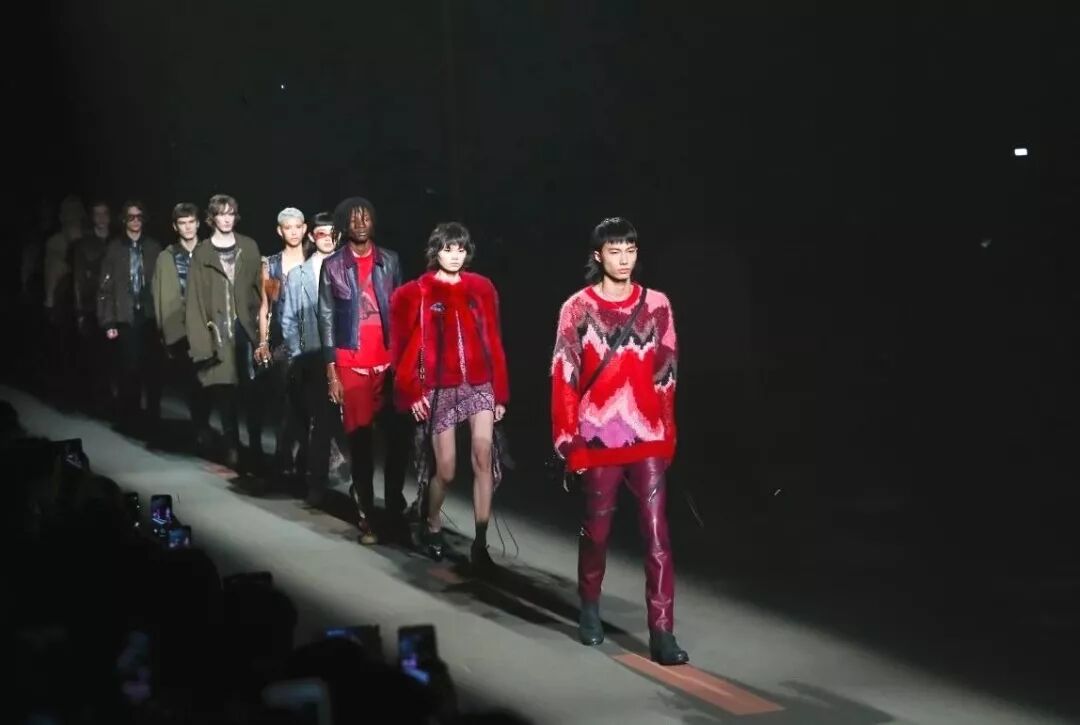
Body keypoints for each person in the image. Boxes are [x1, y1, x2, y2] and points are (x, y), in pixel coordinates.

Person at [550, 217, 688, 665]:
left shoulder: (657, 305)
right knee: (597, 532)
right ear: (598, 255)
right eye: (615, 251)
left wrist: (668, 434)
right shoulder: (577, 308)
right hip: (596, 438)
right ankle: (590, 606)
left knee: (657, 534)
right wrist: (569, 441)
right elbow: (564, 376)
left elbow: (666, 374)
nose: (624, 259)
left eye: (630, 250)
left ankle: (662, 632)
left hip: (647, 436)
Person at [391, 222, 509, 567]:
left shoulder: (482, 288)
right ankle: (431, 522)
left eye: (460, 249)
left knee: (483, 455)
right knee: (445, 469)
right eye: (447, 249)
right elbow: (401, 348)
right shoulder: (415, 293)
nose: (455, 256)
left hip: (479, 383)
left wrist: (500, 393)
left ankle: (481, 543)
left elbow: (494, 340)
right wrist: (412, 392)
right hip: (439, 387)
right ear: (435, 252)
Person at [317, 197, 410, 544]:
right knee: (361, 443)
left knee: (397, 441)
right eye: (353, 219)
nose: (359, 223)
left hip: (388, 365)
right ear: (344, 224)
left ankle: (394, 509)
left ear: (373, 222)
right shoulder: (333, 265)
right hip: (351, 364)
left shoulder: (390, 260)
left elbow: (401, 311)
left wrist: (406, 362)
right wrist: (332, 374)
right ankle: (367, 514)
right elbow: (326, 318)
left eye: (365, 217)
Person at [185, 194, 268, 471]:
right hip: (218, 333)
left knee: (253, 393)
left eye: (231, 213)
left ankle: (255, 446)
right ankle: (232, 446)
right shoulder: (202, 253)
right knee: (225, 393)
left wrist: (265, 332)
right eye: (221, 214)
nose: (227, 219)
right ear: (212, 218)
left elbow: (261, 291)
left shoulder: (249, 247)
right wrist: (201, 346)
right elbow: (195, 302)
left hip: (247, 331)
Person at [280, 211, 348, 506]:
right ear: (312, 236)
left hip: (347, 356)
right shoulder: (298, 275)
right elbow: (288, 320)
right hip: (313, 358)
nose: (328, 239)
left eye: (333, 233)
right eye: (321, 233)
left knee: (348, 424)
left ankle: (355, 486)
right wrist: (298, 355)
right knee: (320, 422)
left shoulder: (350, 271)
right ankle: (316, 483)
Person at [98, 200, 163, 432]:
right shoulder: (114, 248)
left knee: (152, 368)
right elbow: (105, 287)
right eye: (131, 217)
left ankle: (153, 417)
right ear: (124, 220)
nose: (135, 221)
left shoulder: (154, 247)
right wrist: (108, 321)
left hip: (150, 315)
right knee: (129, 368)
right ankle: (131, 417)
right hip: (125, 315)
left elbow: (163, 283)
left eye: (139, 217)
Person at [152, 202, 212, 446]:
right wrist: (164, 332)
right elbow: (160, 296)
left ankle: (202, 425)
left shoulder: (210, 252)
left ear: (198, 224)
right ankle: (200, 427)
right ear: (175, 227)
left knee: (208, 381)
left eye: (191, 222)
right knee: (193, 379)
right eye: (182, 223)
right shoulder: (166, 257)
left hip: (208, 328)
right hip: (181, 329)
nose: (187, 227)